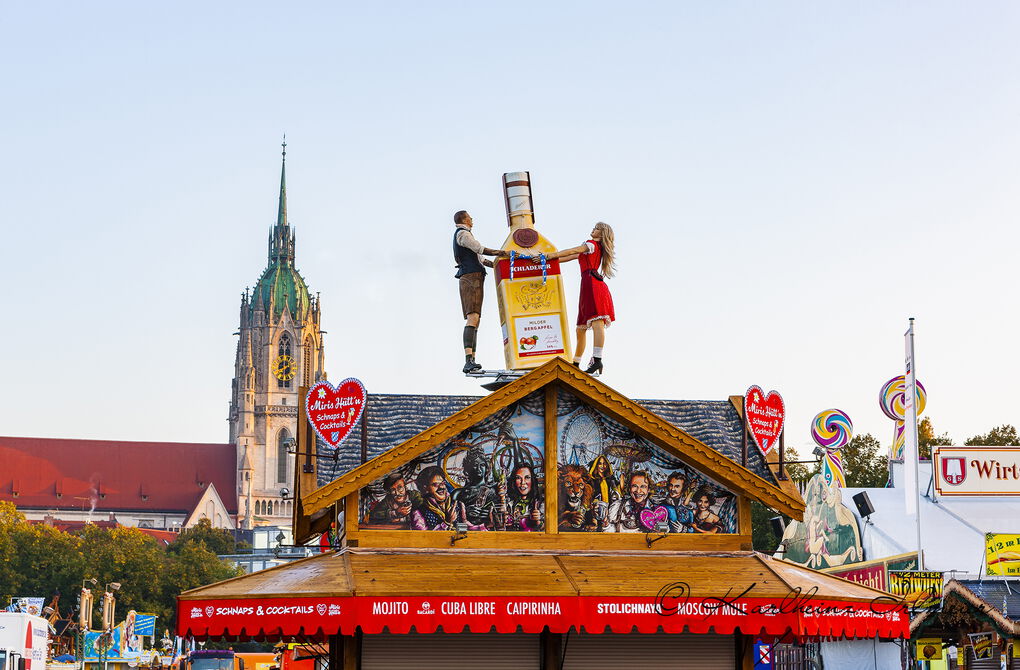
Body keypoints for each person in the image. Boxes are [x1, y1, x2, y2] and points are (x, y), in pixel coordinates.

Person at [545, 222, 616, 375]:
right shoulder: (591, 249)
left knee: (597, 321)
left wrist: (550, 255)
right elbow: (570, 256)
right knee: (581, 328)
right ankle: (575, 363)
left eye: (597, 228)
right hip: (587, 286)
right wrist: (546, 260)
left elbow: (574, 250)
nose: (593, 229)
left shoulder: (590, 245)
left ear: (602, 233)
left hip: (592, 285)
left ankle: (597, 359)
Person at [453, 210, 507, 373]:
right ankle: (468, 360)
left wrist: (498, 264)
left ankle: (472, 359)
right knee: (473, 317)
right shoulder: (463, 234)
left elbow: (481, 259)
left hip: (474, 277)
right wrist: (501, 253)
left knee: (476, 319)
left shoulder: (466, 235)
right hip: (471, 278)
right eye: (470, 217)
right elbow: (480, 249)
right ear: (464, 219)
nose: (472, 219)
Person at [411, 466, 479, 531]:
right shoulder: (418, 513)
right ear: (425, 488)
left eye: (443, 483)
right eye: (435, 485)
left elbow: (465, 530)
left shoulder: (458, 505)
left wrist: (487, 525)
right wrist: (446, 523)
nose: (441, 487)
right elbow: (423, 538)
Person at [505, 464, 543, 531]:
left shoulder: (541, 504)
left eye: (527, 477)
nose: (523, 482)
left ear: (532, 480)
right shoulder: (510, 504)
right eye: (518, 478)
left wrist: (538, 521)